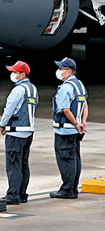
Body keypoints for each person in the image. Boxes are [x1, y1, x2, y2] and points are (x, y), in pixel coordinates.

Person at [0, 61, 38, 205]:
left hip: (16, 132)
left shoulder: (18, 90)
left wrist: (3, 124)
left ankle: (13, 195)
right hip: (28, 131)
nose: (13, 74)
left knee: (13, 163)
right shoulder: (32, 88)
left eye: (15, 72)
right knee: (23, 164)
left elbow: (9, 109)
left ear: (22, 74)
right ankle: (22, 194)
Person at [50, 57, 89, 199]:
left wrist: (75, 123)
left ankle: (67, 190)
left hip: (65, 129)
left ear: (69, 71)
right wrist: (82, 122)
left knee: (65, 159)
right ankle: (73, 188)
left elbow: (65, 109)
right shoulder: (80, 85)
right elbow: (85, 105)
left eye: (61, 69)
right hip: (76, 130)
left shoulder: (66, 87)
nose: (59, 71)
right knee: (74, 159)